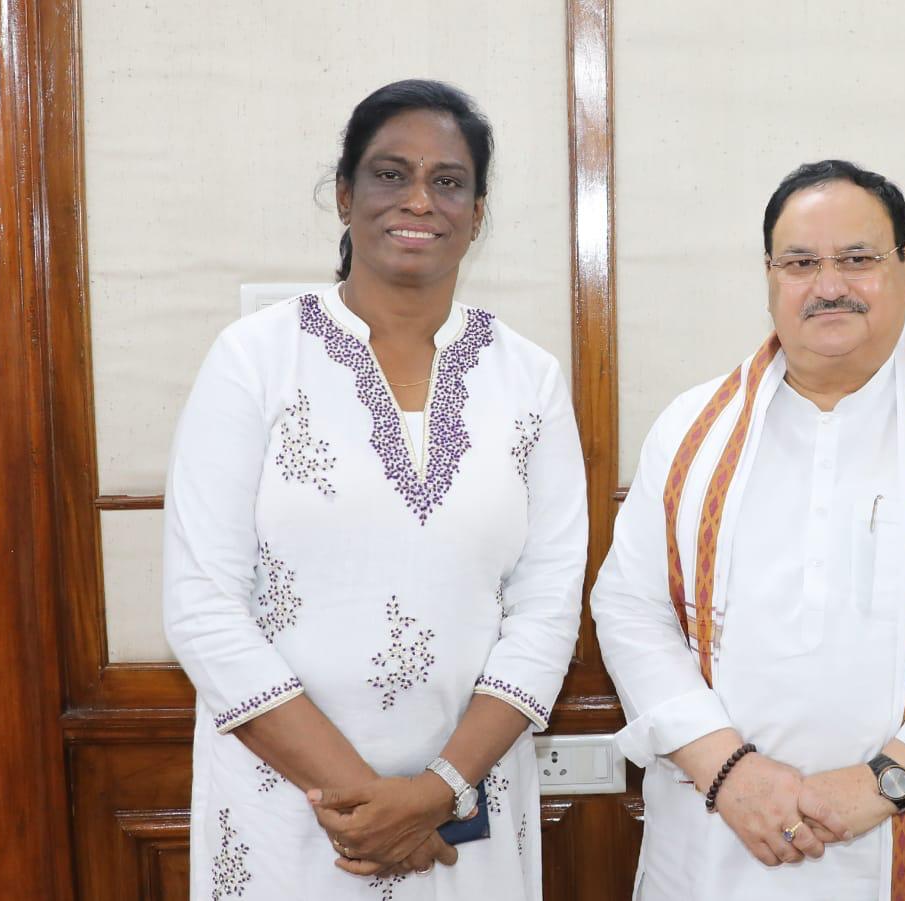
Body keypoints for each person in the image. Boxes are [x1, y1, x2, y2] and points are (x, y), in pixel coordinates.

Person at [591, 159, 905, 900]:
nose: (829, 284)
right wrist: (727, 769)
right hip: (719, 831)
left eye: (858, 259)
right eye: (801, 262)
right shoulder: (688, 430)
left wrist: (887, 779)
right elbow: (629, 607)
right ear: (769, 276)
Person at [163, 79, 587, 900]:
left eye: (449, 180)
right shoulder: (254, 359)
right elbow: (201, 603)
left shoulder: (529, 379)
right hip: (291, 804)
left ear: (478, 209)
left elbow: (548, 603)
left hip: (467, 808)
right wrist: (364, 805)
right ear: (346, 194)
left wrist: (434, 793)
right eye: (391, 174)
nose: (420, 199)